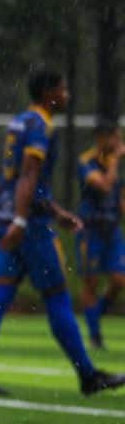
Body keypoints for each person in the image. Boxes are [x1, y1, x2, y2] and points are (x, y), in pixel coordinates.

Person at [0, 69, 125, 397]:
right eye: (64, 89)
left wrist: (56, 211)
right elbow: (29, 175)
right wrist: (24, 222)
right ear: (49, 92)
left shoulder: (20, 121)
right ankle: (88, 375)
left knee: (0, 294)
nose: (67, 95)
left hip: (3, 216)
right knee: (57, 296)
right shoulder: (41, 125)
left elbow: (24, 181)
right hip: (28, 225)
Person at [76, 118, 125, 350]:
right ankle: (95, 336)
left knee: (119, 280)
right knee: (91, 282)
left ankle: (95, 315)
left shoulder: (117, 163)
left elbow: (119, 195)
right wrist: (115, 160)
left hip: (112, 230)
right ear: (101, 138)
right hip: (91, 230)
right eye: (115, 137)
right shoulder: (87, 161)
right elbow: (105, 186)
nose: (119, 141)